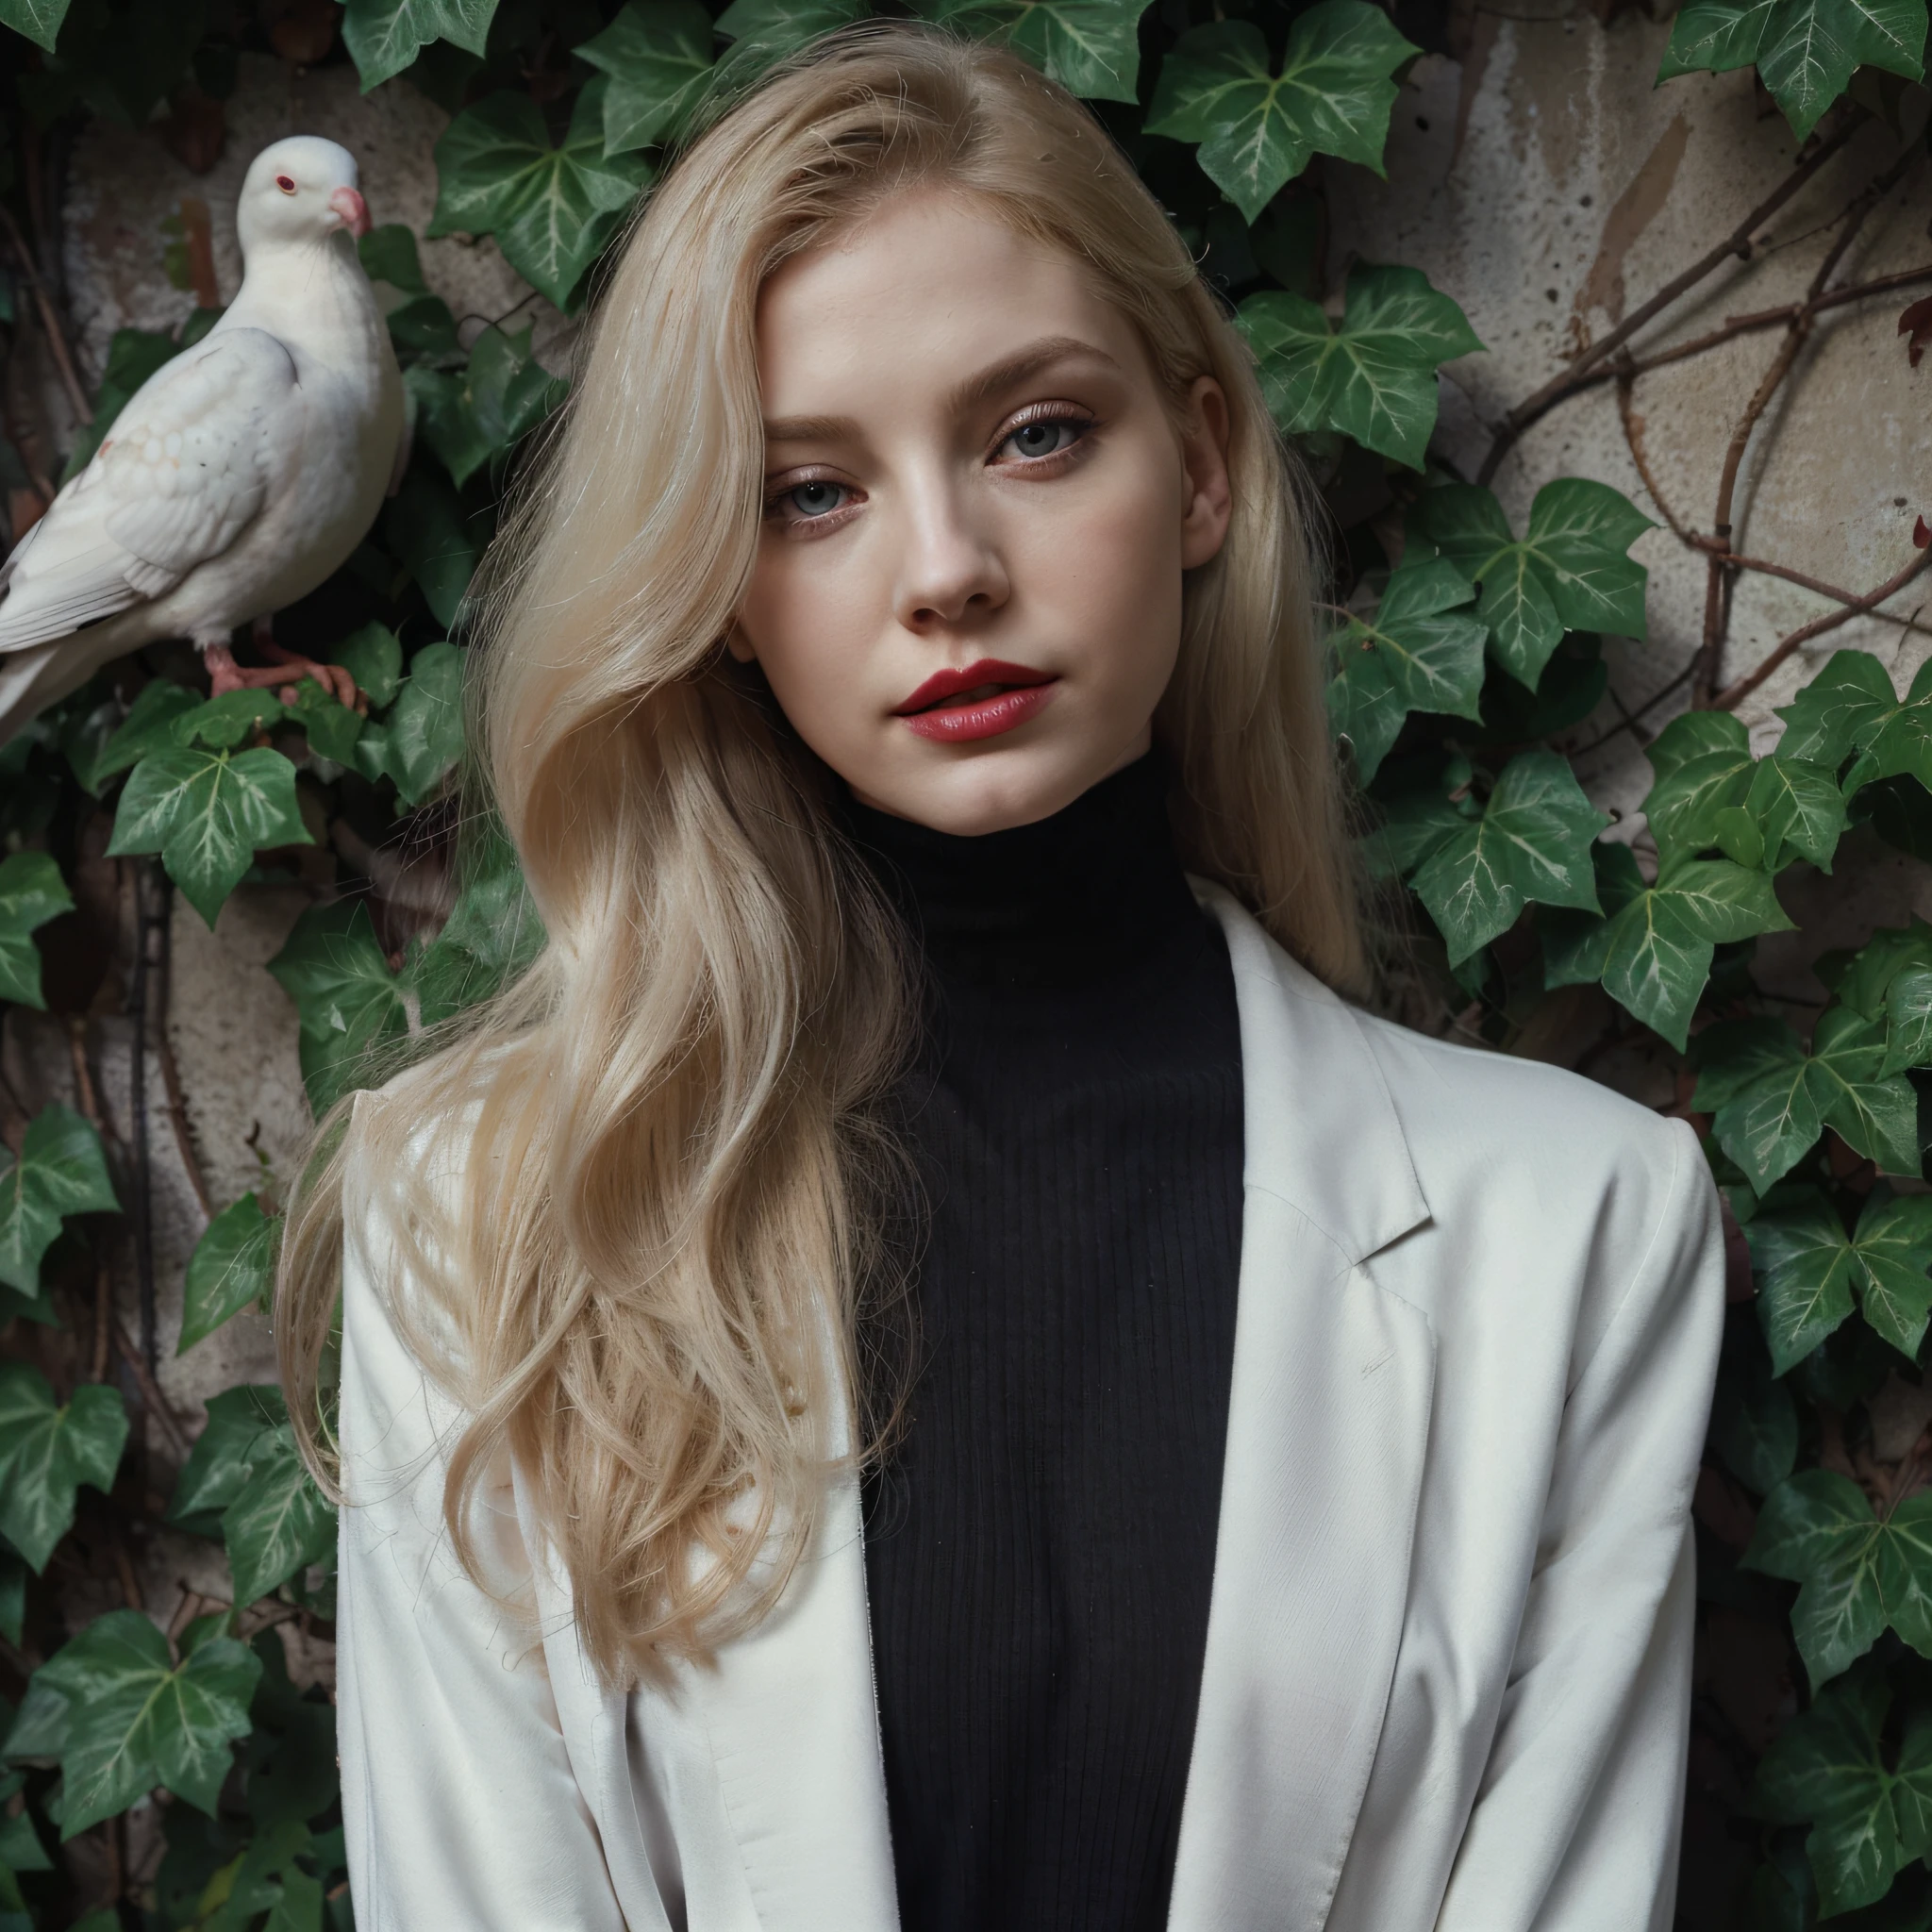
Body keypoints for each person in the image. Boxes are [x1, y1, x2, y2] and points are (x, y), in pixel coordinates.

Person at [275, 24, 1725, 1931]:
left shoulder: (1578, 1228)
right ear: (713, 571)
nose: (946, 569)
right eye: (810, 490)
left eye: (1035, 433)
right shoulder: (475, 1225)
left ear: (1199, 464)